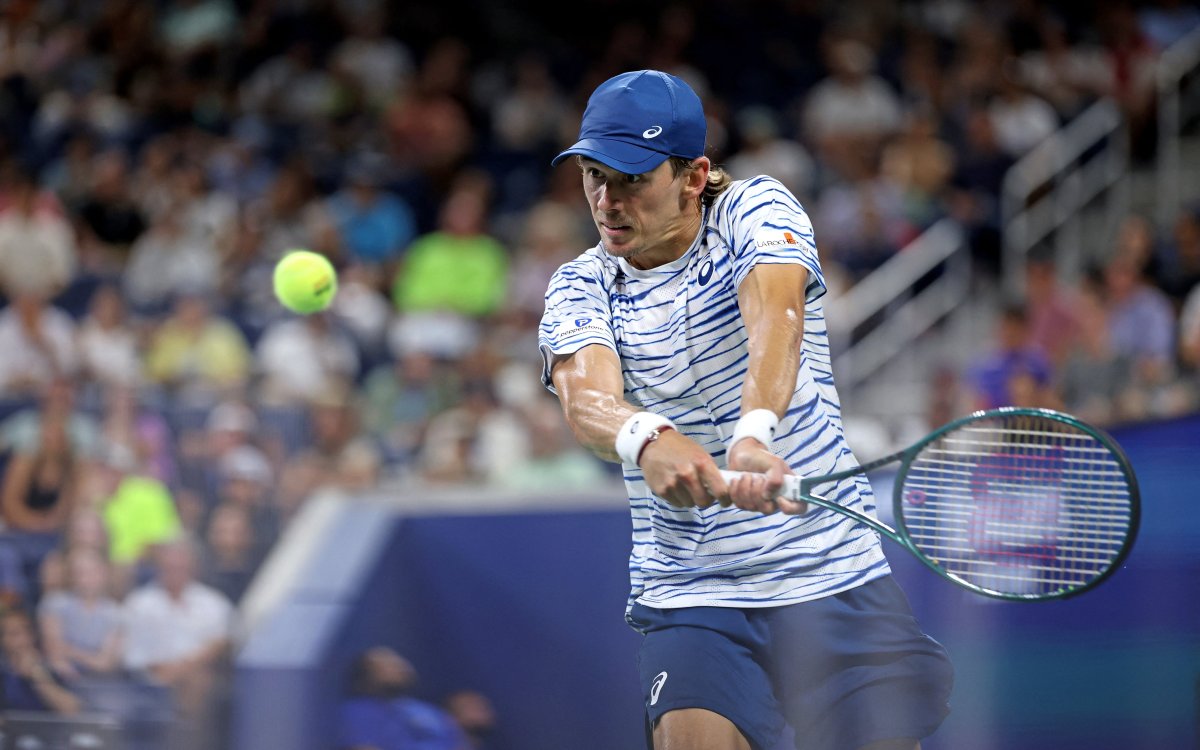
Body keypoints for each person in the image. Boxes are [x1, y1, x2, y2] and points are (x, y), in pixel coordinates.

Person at [538, 70, 953, 750]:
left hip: (831, 575)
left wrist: (754, 434)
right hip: (694, 591)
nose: (607, 202)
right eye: (593, 176)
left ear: (693, 176)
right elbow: (589, 402)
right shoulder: (580, 284)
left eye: (632, 180)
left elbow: (776, 318)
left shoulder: (757, 210)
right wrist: (644, 437)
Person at [337, 646, 468, 750]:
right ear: (367, 676)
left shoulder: (427, 710)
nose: (401, 668)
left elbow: (458, 743)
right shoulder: (359, 711)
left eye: (399, 663)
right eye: (388, 666)